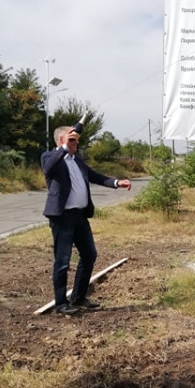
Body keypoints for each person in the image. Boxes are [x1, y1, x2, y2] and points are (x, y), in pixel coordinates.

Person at [41, 125, 131, 315]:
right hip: (62, 217)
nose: (76, 143)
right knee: (63, 261)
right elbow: (48, 169)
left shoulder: (77, 161)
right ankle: (61, 303)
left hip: (80, 216)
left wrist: (117, 183)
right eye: (72, 140)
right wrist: (64, 148)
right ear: (61, 140)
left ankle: (79, 297)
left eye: (76, 140)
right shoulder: (50, 157)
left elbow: (95, 176)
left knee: (89, 255)